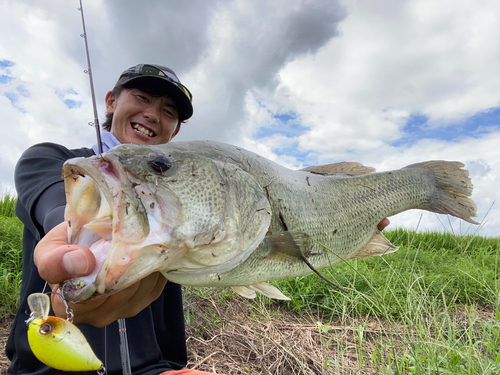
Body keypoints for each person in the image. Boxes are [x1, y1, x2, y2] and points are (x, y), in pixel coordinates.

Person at [7, 63, 390, 374]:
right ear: (110, 101)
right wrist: (78, 246)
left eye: (169, 112)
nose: (152, 114)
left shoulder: (186, 191)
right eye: (141, 97)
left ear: (176, 130)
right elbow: (56, 209)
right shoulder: (49, 159)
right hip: (46, 367)